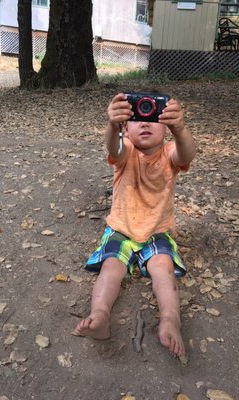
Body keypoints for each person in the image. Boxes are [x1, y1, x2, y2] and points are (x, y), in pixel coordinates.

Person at [73, 92, 196, 357]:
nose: (145, 122)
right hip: (121, 229)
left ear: (166, 125)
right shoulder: (125, 150)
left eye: (153, 115)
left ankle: (170, 319)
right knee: (111, 267)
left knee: (162, 268)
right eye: (137, 117)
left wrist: (181, 130)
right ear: (126, 128)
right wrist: (111, 126)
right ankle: (100, 314)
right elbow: (113, 148)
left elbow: (186, 154)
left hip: (156, 231)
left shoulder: (169, 153)